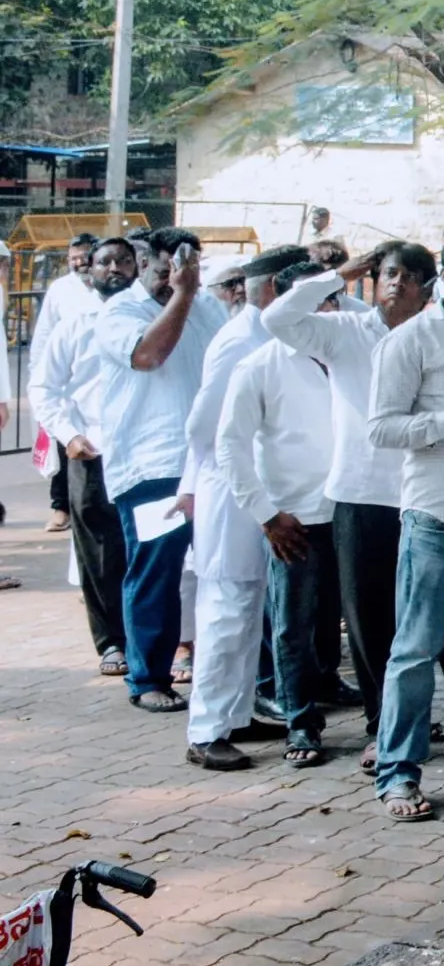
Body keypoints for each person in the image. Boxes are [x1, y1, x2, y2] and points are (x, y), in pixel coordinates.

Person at [266, 241, 432, 764]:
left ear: (427, 287)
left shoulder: (436, 334)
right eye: (388, 273)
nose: (396, 283)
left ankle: (418, 718)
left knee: (427, 617)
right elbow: (277, 319)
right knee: (368, 618)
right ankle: (383, 726)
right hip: (360, 495)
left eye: (409, 276)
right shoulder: (345, 331)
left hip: (425, 494)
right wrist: (340, 273)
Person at [179, 245, 308, 769]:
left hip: (258, 488)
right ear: (274, 289)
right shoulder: (240, 340)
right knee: (226, 608)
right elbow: (202, 427)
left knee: (249, 609)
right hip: (231, 489)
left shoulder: (270, 335)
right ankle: (206, 729)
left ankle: (234, 715)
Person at [91, 228, 229, 711]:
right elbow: (148, 355)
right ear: (146, 262)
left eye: (186, 268)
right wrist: (183, 296)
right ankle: (148, 678)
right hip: (152, 463)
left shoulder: (208, 307)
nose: (173, 277)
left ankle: (223, 674)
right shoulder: (121, 312)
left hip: (209, 461)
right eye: (166, 267)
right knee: (156, 569)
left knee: (223, 570)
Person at [222, 260, 341, 766]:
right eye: (311, 301)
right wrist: (267, 515)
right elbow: (230, 444)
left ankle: (376, 717)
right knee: (294, 623)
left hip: (354, 507)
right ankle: (301, 724)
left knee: (359, 619)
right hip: (295, 518)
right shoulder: (260, 365)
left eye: (329, 300)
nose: (325, 310)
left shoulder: (353, 352)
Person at [369, 234, 444, 820]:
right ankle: (397, 774)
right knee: (416, 649)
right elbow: (381, 428)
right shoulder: (410, 340)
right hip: (435, 514)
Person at [29, 234, 126, 673]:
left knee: (144, 549)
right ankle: (111, 642)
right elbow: (43, 387)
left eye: (124, 262)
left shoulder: (154, 320)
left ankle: (151, 640)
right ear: (91, 271)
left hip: (144, 452)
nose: (114, 269)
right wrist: (68, 435)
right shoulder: (75, 324)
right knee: (99, 551)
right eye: (105, 262)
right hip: (90, 449)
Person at [35, 233, 99, 534]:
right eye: (73, 258)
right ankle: (61, 507)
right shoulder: (60, 289)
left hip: (94, 386)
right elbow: (43, 335)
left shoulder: (109, 289)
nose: (78, 263)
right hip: (63, 382)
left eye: (84, 256)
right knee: (65, 444)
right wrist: (38, 376)